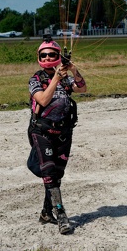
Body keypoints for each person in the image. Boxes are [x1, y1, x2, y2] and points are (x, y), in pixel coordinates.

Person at [28, 38, 87, 234]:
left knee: (57, 175)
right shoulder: (36, 80)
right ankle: (61, 214)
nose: (47, 57)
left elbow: (82, 87)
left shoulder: (66, 79)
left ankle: (46, 213)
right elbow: (43, 100)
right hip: (42, 131)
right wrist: (55, 79)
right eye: (43, 54)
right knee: (49, 171)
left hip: (63, 132)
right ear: (38, 57)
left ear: (58, 56)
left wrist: (73, 70)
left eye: (51, 54)